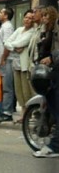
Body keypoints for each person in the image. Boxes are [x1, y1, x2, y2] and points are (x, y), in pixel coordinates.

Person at [32, 8, 59, 159]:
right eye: (42, 16)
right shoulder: (46, 31)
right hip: (51, 72)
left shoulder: (56, 29)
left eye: (46, 15)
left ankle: (54, 146)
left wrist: (52, 58)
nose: (43, 18)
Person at [0, 10, 36, 122]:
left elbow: (20, 43)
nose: (27, 20)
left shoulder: (32, 32)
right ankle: (23, 114)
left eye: (30, 18)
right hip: (16, 64)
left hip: (25, 65)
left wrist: (13, 46)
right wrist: (15, 48)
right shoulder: (19, 30)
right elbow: (7, 42)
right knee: (18, 91)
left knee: (27, 91)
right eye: (26, 17)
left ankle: (31, 114)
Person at [0, 6, 16, 122]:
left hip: (7, 59)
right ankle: (6, 110)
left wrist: (3, 58)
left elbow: (7, 44)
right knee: (5, 86)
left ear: (6, 16)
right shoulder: (4, 26)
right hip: (3, 59)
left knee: (7, 87)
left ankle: (7, 112)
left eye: (1, 12)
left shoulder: (7, 27)